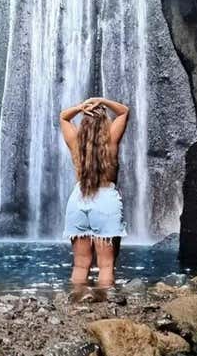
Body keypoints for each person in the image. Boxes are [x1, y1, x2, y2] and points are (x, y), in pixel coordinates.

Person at [59, 96, 129, 288]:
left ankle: (78, 299)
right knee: (106, 265)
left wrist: (80, 107)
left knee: (80, 264)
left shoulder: (75, 143)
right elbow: (124, 111)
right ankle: (105, 301)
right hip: (105, 200)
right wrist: (101, 100)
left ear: (84, 123)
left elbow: (63, 117)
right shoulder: (111, 141)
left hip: (78, 199)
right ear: (105, 122)